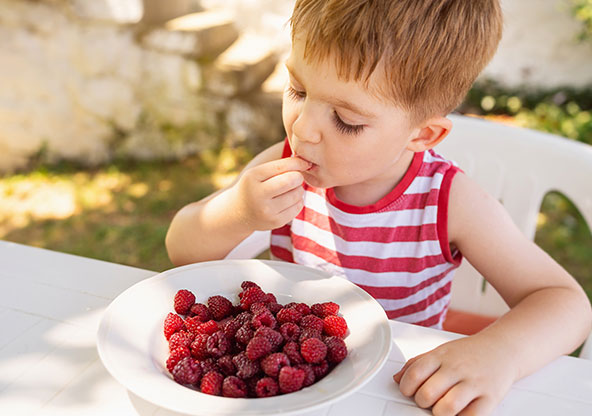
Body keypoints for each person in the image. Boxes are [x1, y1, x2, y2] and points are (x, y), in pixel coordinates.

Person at [166, 0, 592, 414]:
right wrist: (239, 211)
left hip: (399, 390)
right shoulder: (279, 166)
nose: (303, 127)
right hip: (297, 390)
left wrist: (501, 354)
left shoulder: (447, 201)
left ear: (422, 135)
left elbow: (564, 302)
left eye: (346, 120)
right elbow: (183, 251)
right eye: (297, 89)